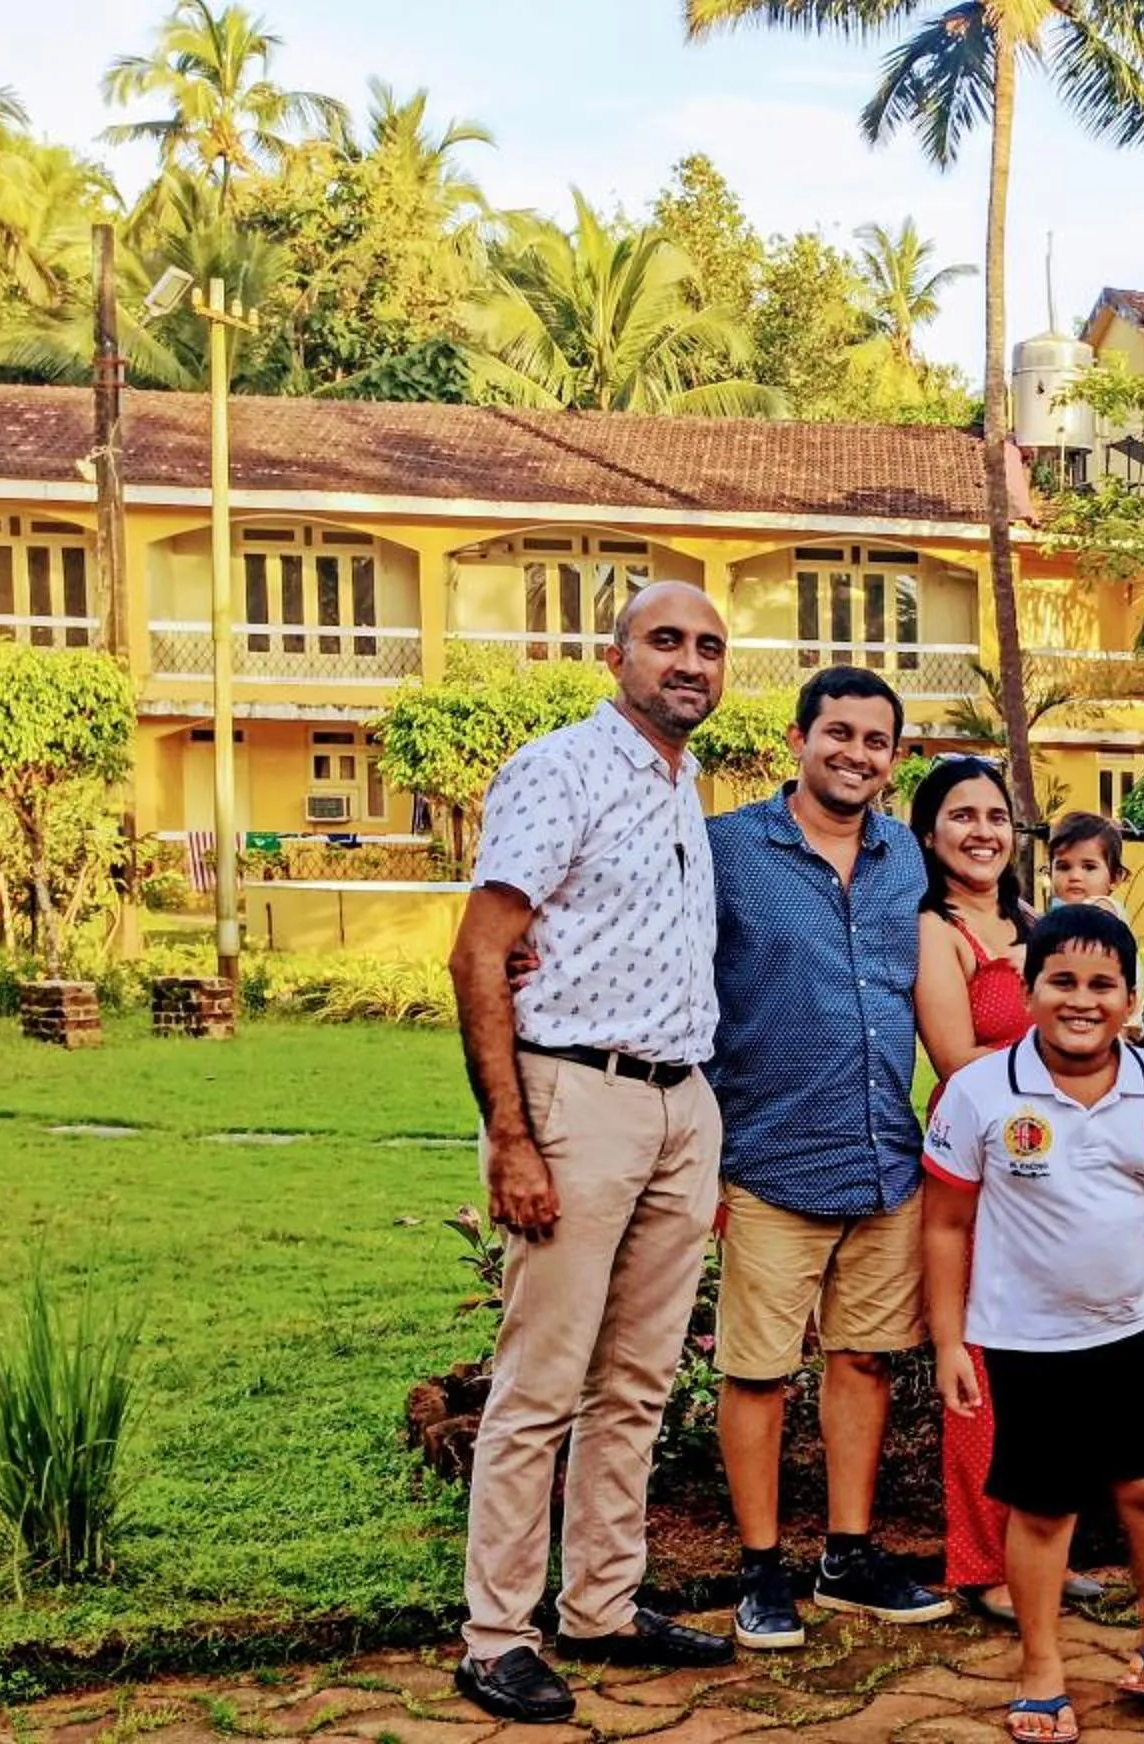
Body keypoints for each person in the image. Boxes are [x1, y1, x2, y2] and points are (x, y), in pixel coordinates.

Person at [444, 581, 737, 1721]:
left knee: (640, 1381)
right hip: (575, 1099)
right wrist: (513, 1134)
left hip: (678, 1104)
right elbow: (480, 955)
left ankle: (603, 1605)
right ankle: (495, 1634)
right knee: (541, 1385)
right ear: (614, 656)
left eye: (710, 647)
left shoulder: (682, 783)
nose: (691, 662)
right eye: (667, 640)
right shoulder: (561, 766)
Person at [705, 667, 951, 1649]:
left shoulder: (907, 861)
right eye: (837, 733)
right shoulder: (727, 849)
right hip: (768, 1153)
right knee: (757, 1370)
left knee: (864, 1358)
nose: (856, 753)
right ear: (798, 738)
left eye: (876, 740)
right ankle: (761, 1570)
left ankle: (847, 1555)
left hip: (887, 1155)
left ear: (895, 759)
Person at [922, 906, 1144, 1743]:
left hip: (1138, 1328)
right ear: (1029, 989)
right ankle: (1042, 1669)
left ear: (1130, 996)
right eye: (1063, 982)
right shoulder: (980, 1092)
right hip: (1026, 1340)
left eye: (1102, 986)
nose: (1082, 1001)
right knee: (1042, 1510)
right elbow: (944, 1224)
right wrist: (948, 1340)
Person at [908, 756, 1057, 1624]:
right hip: (977, 1159)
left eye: (995, 816)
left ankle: (1040, 1551)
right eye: (961, 816)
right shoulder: (938, 930)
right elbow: (956, 1056)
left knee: (1047, 1367)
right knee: (980, 1371)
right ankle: (981, 1562)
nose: (982, 831)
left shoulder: (1036, 922)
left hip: (1049, 1164)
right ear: (930, 834)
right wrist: (1069, 1060)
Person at [1046, 812, 1128, 912]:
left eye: (1089, 867)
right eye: (1064, 867)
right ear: (1050, 873)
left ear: (1114, 878)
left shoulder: (1104, 910)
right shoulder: (1054, 911)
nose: (1075, 876)